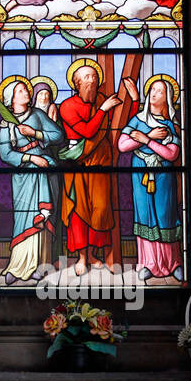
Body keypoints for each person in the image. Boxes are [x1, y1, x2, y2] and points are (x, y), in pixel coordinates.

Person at [0, 77, 63, 284]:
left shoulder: (37, 115)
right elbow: (5, 154)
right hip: (24, 174)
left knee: (43, 218)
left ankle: (39, 265)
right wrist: (30, 157)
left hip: (46, 169)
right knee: (25, 218)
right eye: (21, 91)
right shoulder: (6, 123)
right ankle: (18, 266)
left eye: (26, 89)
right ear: (11, 98)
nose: (27, 92)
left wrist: (35, 133)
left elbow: (59, 135)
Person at [118, 74, 183, 280]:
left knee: (166, 214)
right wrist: (149, 139)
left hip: (163, 175)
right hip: (140, 174)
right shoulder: (138, 120)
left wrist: (146, 139)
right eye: (152, 90)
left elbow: (172, 154)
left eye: (160, 91)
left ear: (168, 98)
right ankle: (147, 263)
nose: (154, 94)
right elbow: (122, 145)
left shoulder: (170, 125)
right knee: (145, 214)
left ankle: (173, 263)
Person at [58, 61, 119, 273]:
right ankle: (82, 258)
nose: (92, 80)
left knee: (100, 210)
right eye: (86, 77)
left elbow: (123, 120)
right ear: (76, 83)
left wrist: (134, 98)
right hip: (77, 164)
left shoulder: (103, 100)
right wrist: (102, 110)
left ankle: (93, 254)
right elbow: (86, 131)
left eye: (94, 76)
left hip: (101, 163)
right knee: (78, 212)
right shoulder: (67, 106)